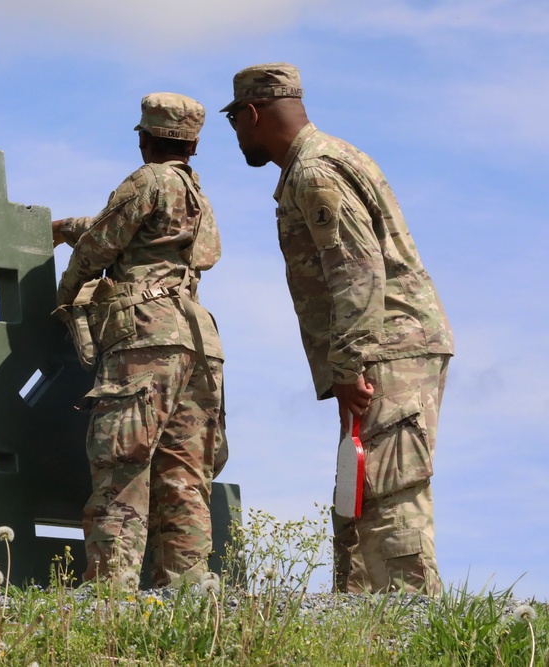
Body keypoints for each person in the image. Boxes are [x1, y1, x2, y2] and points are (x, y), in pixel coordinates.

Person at [220, 63, 454, 594]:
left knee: (389, 491)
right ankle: (362, 629)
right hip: (380, 348)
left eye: (235, 121)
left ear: (253, 113)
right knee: (358, 497)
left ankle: (412, 627)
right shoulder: (323, 160)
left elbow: (357, 271)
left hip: (387, 348)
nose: (236, 135)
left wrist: (348, 365)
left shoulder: (316, 170)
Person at [52, 93, 226, 587]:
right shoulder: (195, 194)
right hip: (198, 340)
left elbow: (100, 245)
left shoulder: (148, 180)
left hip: (145, 337)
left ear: (146, 138)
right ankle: (187, 586)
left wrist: (66, 298)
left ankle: (110, 590)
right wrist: (69, 227)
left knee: (121, 460)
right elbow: (143, 234)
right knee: (186, 471)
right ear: (192, 143)